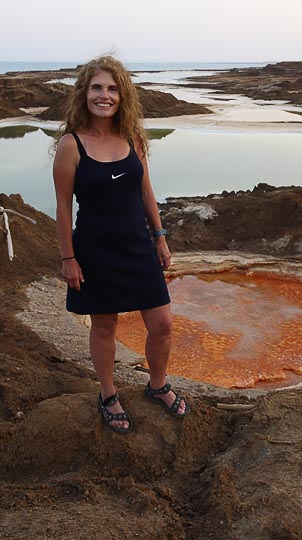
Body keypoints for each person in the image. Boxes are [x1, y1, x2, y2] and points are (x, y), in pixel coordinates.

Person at [53, 55, 190, 434]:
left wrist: (160, 237)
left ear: (122, 95)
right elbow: (63, 207)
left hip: (137, 246)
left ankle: (157, 384)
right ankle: (108, 393)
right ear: (85, 93)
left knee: (161, 323)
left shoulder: (132, 138)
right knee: (104, 325)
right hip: (95, 251)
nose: (104, 95)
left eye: (112, 89)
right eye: (97, 87)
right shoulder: (71, 145)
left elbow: (145, 190)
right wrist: (69, 257)